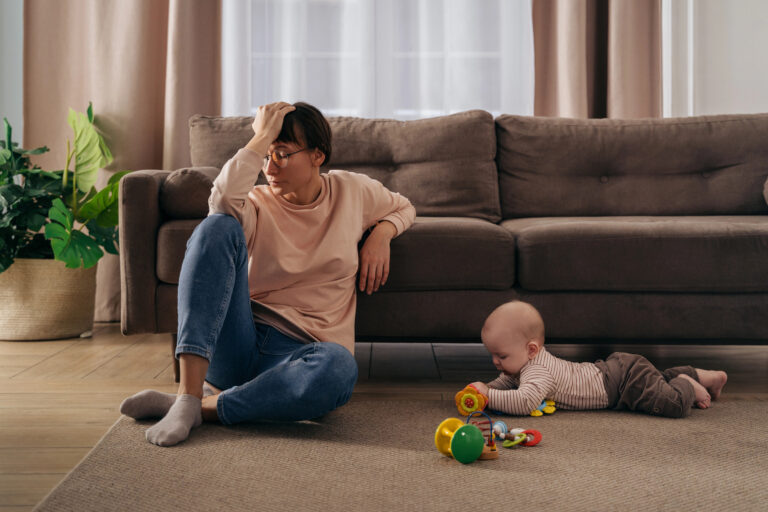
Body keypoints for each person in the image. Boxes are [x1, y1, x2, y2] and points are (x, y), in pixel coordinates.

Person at [120, 101, 416, 446]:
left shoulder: (353, 191)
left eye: (282, 154)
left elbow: (404, 206)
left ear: (317, 156)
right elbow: (221, 203)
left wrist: (382, 233)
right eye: (266, 155)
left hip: (301, 355)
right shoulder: (255, 202)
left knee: (339, 368)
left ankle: (201, 408)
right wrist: (261, 136)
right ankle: (188, 394)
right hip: (238, 341)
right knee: (215, 228)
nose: (269, 168)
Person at [466, 301, 728, 418]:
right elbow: (508, 384)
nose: (496, 362)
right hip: (617, 371)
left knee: (672, 403)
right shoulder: (525, 364)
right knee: (657, 382)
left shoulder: (538, 372)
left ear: (531, 350)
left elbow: (524, 401)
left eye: (501, 356)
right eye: (493, 354)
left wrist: (488, 396)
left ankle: (686, 383)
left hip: (623, 385)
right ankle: (703, 375)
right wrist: (481, 391)